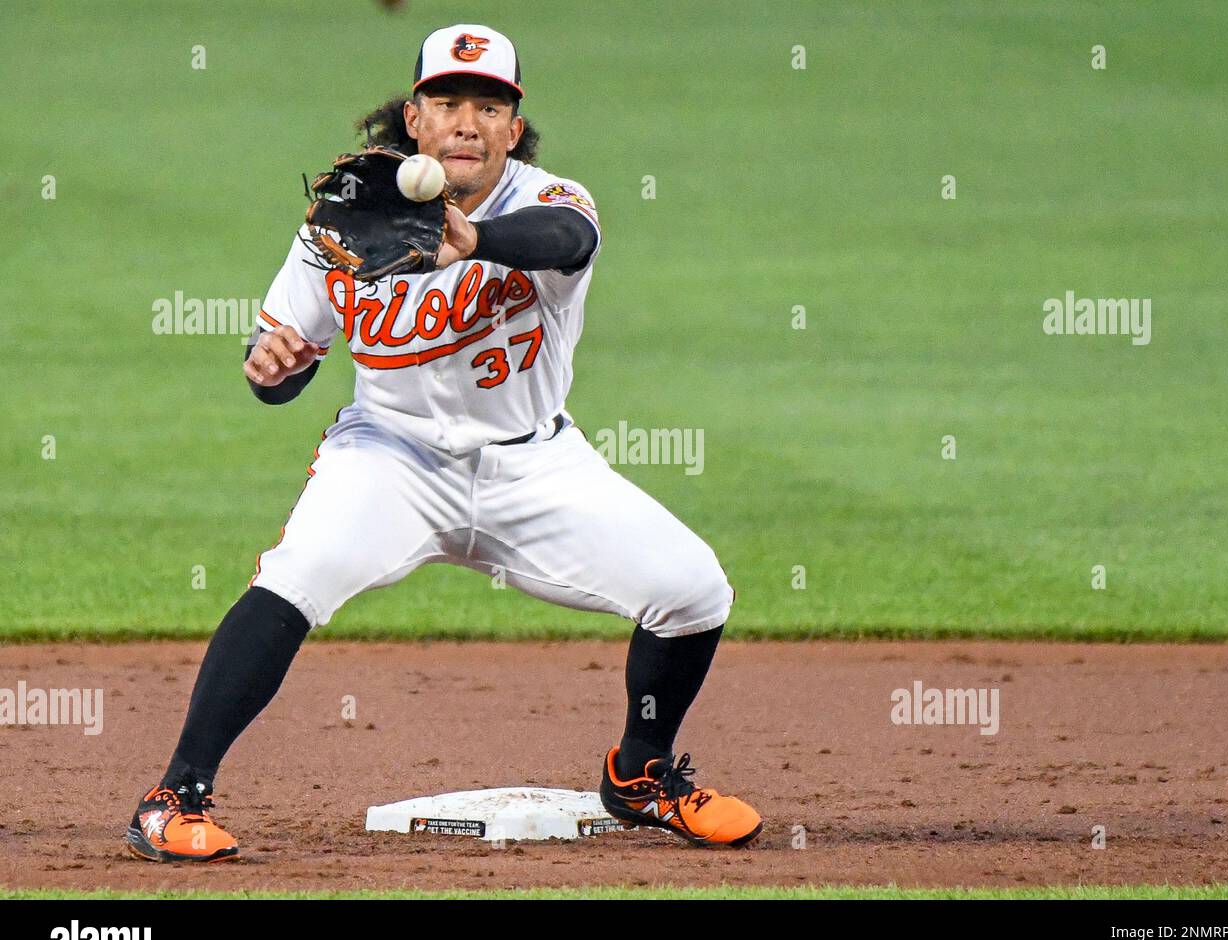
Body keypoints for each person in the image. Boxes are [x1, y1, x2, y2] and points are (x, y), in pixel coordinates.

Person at [126, 23, 761, 863]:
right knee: (294, 577)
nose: (468, 121)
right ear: (414, 118)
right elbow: (283, 367)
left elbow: (567, 243)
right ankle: (177, 794)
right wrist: (273, 367)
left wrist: (477, 240)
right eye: (448, 102)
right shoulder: (349, 218)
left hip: (535, 466)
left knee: (693, 590)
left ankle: (640, 773)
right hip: (388, 460)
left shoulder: (550, 200)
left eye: (489, 106)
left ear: (513, 127)